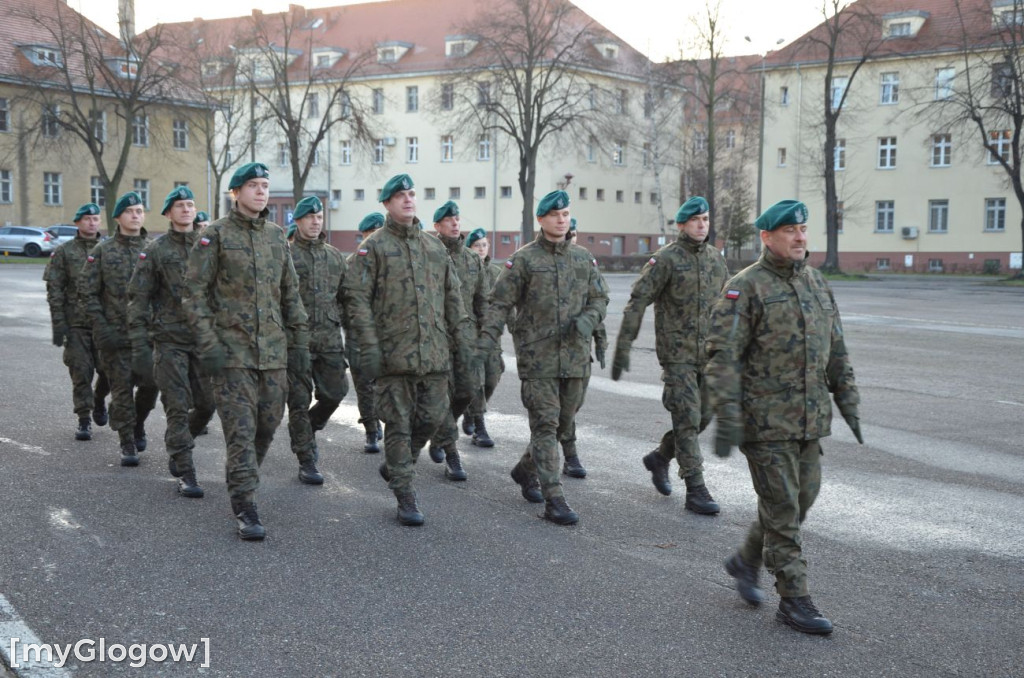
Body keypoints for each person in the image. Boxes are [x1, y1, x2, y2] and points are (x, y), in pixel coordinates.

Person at [706, 199, 861, 635]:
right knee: (783, 510)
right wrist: (729, 415)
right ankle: (794, 599)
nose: (800, 237)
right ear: (767, 237)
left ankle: (745, 560)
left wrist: (848, 398)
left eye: (803, 229)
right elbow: (721, 356)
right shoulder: (745, 287)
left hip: (809, 420)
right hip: (765, 422)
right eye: (790, 230)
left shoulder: (816, 283)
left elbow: (837, 349)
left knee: (801, 500)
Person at [183, 162, 309, 540]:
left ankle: (244, 479)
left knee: (267, 427)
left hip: (273, 354)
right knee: (241, 431)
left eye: (265, 185)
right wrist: (209, 345)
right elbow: (194, 295)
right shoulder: (215, 236)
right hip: (231, 355)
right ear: (235, 193)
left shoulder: (275, 236)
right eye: (252, 185)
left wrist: (299, 345)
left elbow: (290, 294)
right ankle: (245, 504)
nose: (260, 191)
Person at [342, 174, 473, 526]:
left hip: (433, 355)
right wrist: (369, 344)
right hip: (392, 357)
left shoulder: (434, 249)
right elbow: (354, 300)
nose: (408, 200)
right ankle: (406, 494)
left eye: (412, 194)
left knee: (431, 419)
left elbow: (453, 300)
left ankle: (396, 466)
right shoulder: (374, 248)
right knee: (398, 426)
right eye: (400, 195)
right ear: (387, 203)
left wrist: (464, 346)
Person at [477, 190, 608, 525]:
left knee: (564, 423)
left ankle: (525, 469)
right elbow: (499, 303)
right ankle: (555, 498)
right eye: (555, 215)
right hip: (539, 359)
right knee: (546, 424)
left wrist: (589, 320)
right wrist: (485, 343)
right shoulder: (524, 260)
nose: (561, 220)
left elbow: (600, 297)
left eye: (565, 214)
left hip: (576, 359)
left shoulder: (583, 258)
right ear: (541, 219)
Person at [611, 197, 728, 514]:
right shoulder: (665, 260)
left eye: (705, 219)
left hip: (710, 354)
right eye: (696, 220)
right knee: (688, 418)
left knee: (703, 417)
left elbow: (728, 307)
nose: (702, 224)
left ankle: (660, 457)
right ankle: (696, 488)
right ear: (682, 225)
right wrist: (624, 344)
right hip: (677, 357)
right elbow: (638, 300)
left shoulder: (717, 260)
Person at [127, 186, 216, 498]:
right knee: (177, 406)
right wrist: (140, 343)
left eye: (190, 204)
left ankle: (180, 443)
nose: (186, 210)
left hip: (203, 341)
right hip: (169, 342)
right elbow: (138, 298)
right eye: (180, 205)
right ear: (168, 213)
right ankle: (185, 467)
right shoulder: (156, 250)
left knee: (207, 404)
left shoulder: (209, 247)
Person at [80, 191, 159, 466]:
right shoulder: (102, 251)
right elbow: (87, 293)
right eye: (130, 211)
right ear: (118, 217)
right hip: (114, 337)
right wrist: (101, 329)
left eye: (139, 211)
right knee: (122, 389)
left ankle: (137, 424)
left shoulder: (153, 249)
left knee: (151, 387)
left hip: (147, 336)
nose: (136, 215)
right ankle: (127, 443)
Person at [285, 196, 350, 485]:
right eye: (309, 217)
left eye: (319, 217)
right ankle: (306, 458)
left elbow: (346, 299)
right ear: (297, 221)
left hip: (329, 340)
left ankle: (311, 425)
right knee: (298, 401)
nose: (315, 222)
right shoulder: (284, 256)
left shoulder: (334, 256)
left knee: (336, 393)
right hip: (296, 342)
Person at [426, 200, 487, 481]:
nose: (455, 223)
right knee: (441, 396)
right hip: (436, 336)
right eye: (448, 220)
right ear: (437, 226)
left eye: (457, 219)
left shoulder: (473, 259)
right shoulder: (429, 254)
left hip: (466, 338)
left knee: (468, 390)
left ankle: (439, 436)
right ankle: (452, 454)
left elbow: (482, 301)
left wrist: (485, 335)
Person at [45, 202, 110, 441]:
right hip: (76, 324)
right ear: (78, 222)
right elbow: (55, 290)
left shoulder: (109, 249)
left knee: (109, 371)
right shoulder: (64, 252)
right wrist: (58, 323)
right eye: (87, 219)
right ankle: (84, 419)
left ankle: (99, 398)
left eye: (95, 219)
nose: (92, 222)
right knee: (81, 371)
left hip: (104, 323)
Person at [557, 217, 607, 479]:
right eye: (569, 233)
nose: (572, 237)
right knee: (555, 411)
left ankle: (537, 460)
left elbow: (596, 305)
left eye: (575, 233)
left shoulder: (584, 261)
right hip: (551, 351)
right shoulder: (549, 263)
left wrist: (600, 340)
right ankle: (569, 454)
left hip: (579, 349)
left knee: (573, 405)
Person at [346, 212, 385, 453]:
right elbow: (344, 301)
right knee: (364, 385)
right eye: (373, 234)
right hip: (358, 335)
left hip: (386, 335)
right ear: (365, 236)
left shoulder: (391, 262)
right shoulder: (352, 263)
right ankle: (371, 429)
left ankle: (389, 426)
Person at [462, 227, 504, 448]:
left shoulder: (497, 273)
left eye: (484, 245)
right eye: (476, 245)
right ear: (469, 248)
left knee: (491, 379)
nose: (481, 249)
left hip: (491, 334)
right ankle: (480, 426)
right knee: (476, 381)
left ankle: (471, 412)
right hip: (470, 333)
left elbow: (506, 303)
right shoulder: (463, 269)